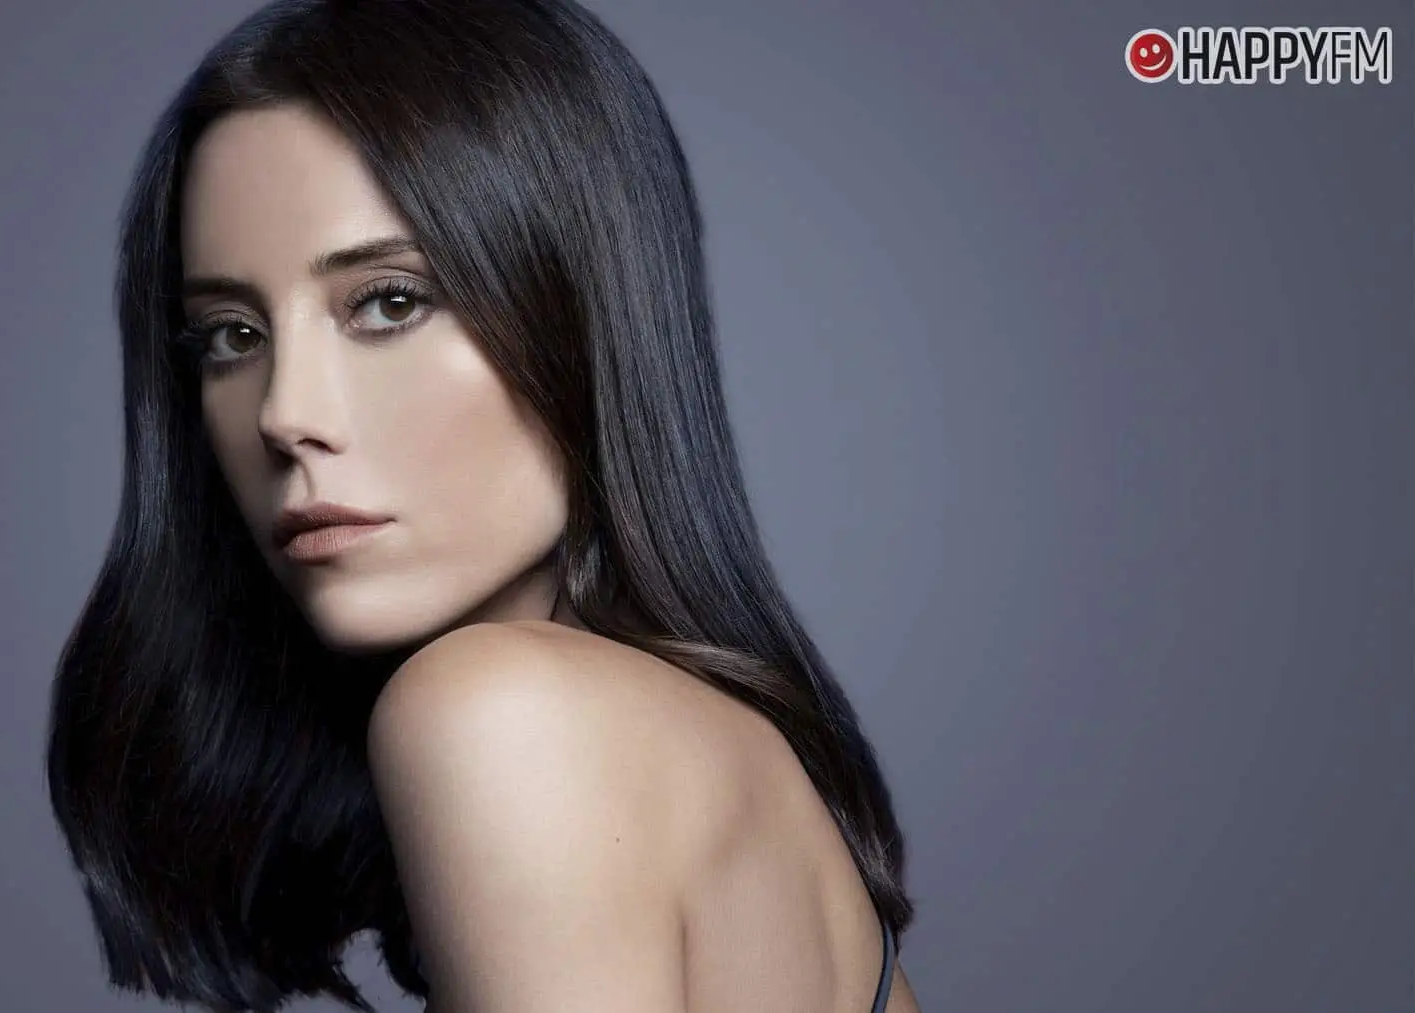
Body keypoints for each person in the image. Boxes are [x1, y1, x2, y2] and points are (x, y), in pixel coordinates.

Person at [46, 1, 921, 1010]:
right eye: (232, 335)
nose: (284, 415)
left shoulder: (498, 711)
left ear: (582, 313)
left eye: (390, 301)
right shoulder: (715, 749)